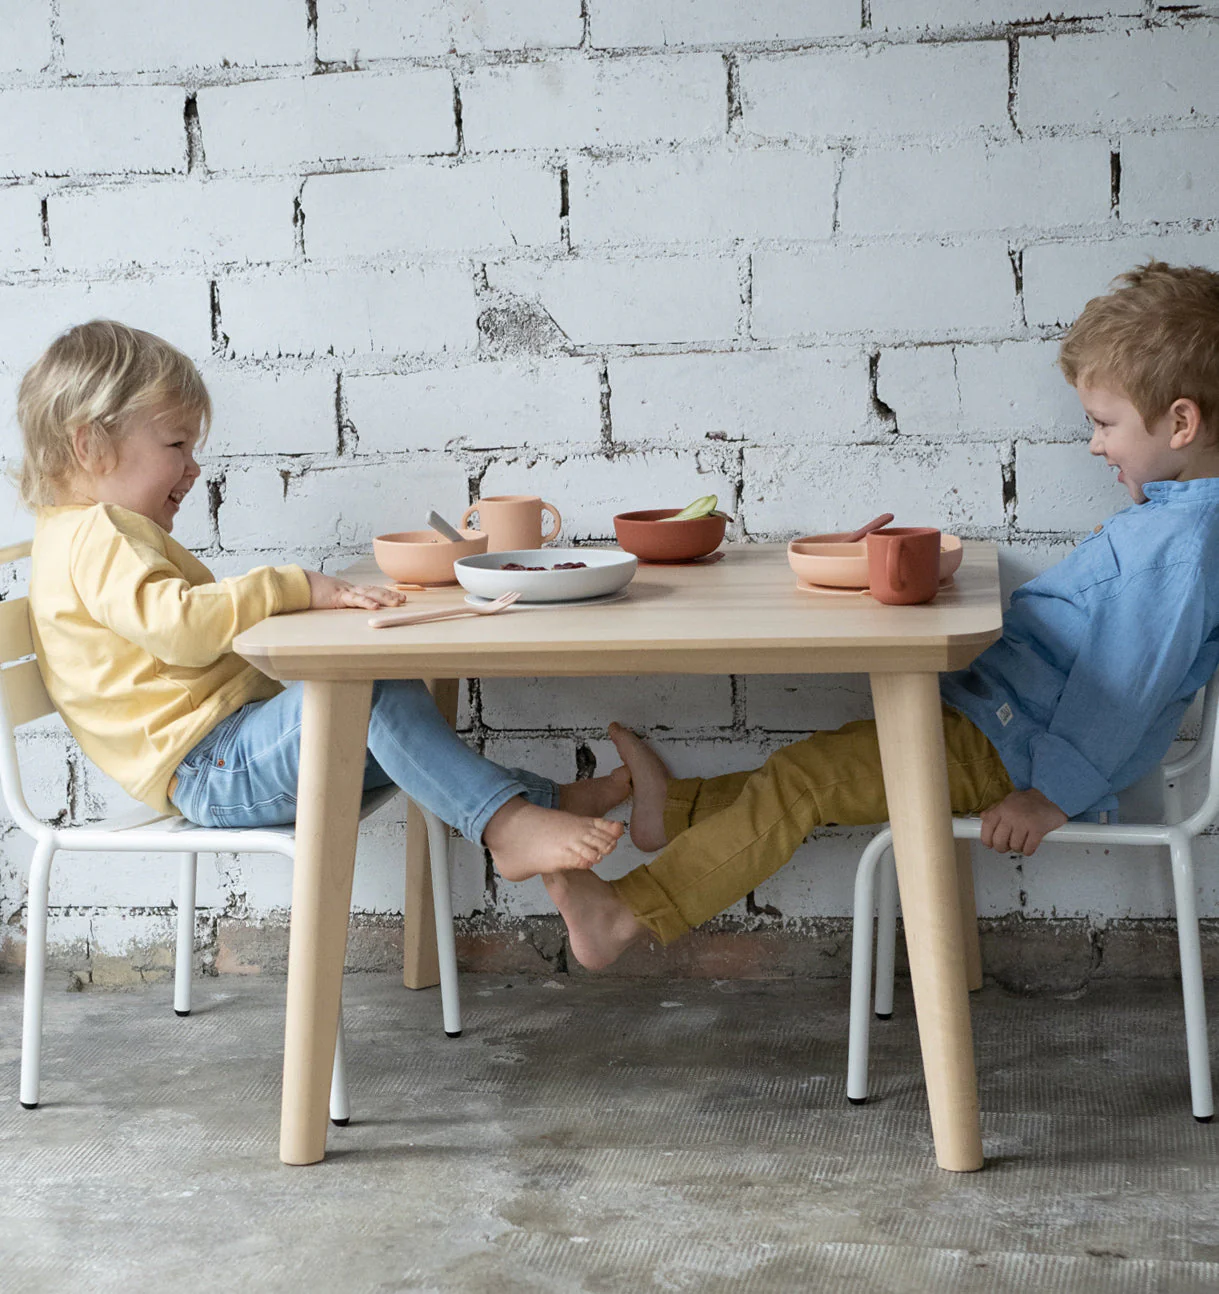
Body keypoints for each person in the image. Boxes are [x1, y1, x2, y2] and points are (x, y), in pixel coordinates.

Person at [545, 260, 1219, 969]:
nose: (1093, 443)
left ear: (1179, 421)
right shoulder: (1171, 529)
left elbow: (1122, 697)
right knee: (809, 772)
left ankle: (626, 914)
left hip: (1009, 753)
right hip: (998, 727)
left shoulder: (1173, 550)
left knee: (805, 779)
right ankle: (674, 812)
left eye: (1103, 423)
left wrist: (1048, 799)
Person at [17, 320, 629, 881]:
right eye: (177, 445)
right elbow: (179, 626)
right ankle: (511, 823)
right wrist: (293, 584)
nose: (194, 468)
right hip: (213, 767)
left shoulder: (70, 537)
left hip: (225, 759)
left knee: (389, 718)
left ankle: (536, 815)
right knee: (368, 692)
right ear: (90, 445)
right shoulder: (97, 535)